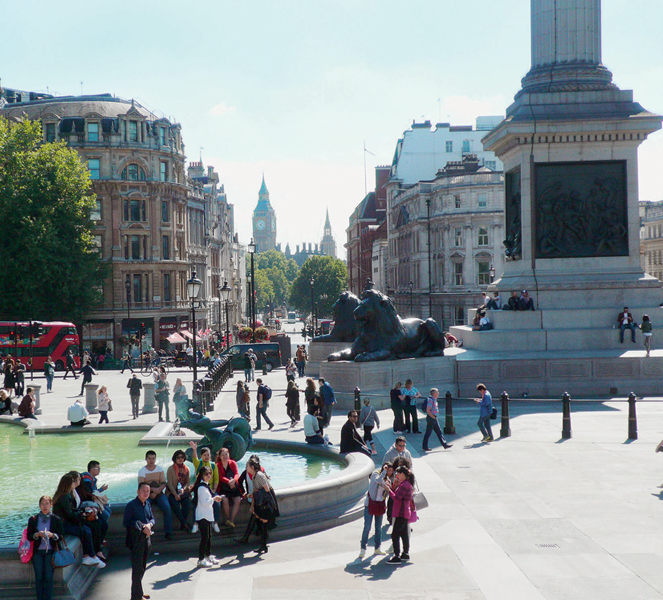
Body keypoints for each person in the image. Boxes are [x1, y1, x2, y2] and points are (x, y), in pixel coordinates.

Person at [52, 473, 104, 567]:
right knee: (85, 531)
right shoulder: (64, 497)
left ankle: (89, 556)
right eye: (72, 481)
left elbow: (70, 511)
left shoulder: (65, 495)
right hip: (63, 526)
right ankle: (90, 556)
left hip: (65, 523)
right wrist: (82, 515)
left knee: (87, 530)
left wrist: (81, 512)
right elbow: (69, 514)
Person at [27, 495, 65, 600]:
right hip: (37, 552)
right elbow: (29, 536)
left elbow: (61, 535)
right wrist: (37, 534)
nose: (45, 506)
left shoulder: (56, 519)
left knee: (48, 577)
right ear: (39, 505)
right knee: (39, 578)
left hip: (50, 551)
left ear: (51, 505)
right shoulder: (33, 519)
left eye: (47, 504)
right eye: (43, 504)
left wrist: (52, 535)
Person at [124, 482, 155, 600]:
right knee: (137, 570)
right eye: (144, 491)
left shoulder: (147, 504)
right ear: (138, 492)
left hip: (147, 540)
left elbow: (152, 518)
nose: (146, 493)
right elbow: (126, 523)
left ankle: (139, 592)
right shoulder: (131, 505)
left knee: (142, 567)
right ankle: (136, 597)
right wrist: (142, 527)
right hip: (136, 541)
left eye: (148, 491)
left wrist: (150, 525)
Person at [137, 450, 174, 540]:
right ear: (146, 459)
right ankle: (144, 531)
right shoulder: (142, 471)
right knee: (143, 508)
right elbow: (141, 486)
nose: (151, 460)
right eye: (149, 458)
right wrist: (153, 491)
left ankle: (168, 532)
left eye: (153, 458)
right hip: (146, 495)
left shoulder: (160, 469)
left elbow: (163, 483)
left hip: (159, 494)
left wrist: (158, 491)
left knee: (167, 507)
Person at [192, 466, 223, 567]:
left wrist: (214, 499)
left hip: (207, 515)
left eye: (210, 473)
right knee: (204, 538)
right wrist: (214, 499)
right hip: (202, 516)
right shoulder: (201, 488)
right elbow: (204, 502)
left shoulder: (205, 486)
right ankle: (201, 559)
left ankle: (208, 555)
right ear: (201, 475)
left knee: (209, 537)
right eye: (206, 474)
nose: (209, 475)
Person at [246, 455, 278, 554]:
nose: (246, 468)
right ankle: (263, 545)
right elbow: (257, 490)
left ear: (252, 467)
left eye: (247, 466)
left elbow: (266, 489)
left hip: (266, 501)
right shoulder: (254, 477)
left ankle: (263, 546)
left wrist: (255, 494)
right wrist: (252, 495)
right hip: (263, 501)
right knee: (263, 521)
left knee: (264, 521)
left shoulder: (259, 475)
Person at [359, 464, 389, 558]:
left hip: (379, 505)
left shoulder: (387, 480)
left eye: (390, 470)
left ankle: (377, 548)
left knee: (378, 528)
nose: (389, 472)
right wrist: (384, 472)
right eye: (388, 469)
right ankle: (363, 548)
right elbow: (378, 480)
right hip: (370, 505)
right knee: (367, 527)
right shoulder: (376, 474)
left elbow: (386, 493)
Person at [188, 441, 220, 532]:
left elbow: (216, 479)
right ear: (201, 456)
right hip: (200, 489)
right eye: (204, 455)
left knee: (217, 504)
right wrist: (194, 449)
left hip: (211, 490)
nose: (207, 457)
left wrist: (214, 490)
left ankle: (215, 523)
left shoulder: (213, 465)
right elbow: (194, 458)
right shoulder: (199, 464)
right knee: (195, 503)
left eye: (208, 455)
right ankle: (195, 523)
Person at [386, 465, 415, 564]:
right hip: (405, 512)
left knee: (395, 535)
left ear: (403, 474)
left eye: (398, 474)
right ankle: (405, 553)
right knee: (404, 534)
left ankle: (396, 556)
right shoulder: (406, 484)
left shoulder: (404, 485)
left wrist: (389, 490)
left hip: (401, 512)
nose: (397, 476)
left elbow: (396, 498)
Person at [166, 449, 192, 532]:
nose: (180, 459)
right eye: (178, 457)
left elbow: (188, 483)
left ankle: (183, 524)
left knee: (187, 505)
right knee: (175, 506)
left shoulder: (187, 469)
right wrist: (175, 494)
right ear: (175, 458)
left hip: (182, 492)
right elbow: (169, 483)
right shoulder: (170, 469)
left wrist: (183, 489)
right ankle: (184, 523)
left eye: (182, 457)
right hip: (172, 492)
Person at [216, 447, 241, 527]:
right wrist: (228, 481)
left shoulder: (233, 463)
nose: (224, 456)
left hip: (233, 487)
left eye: (226, 454)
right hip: (224, 488)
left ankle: (231, 520)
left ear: (229, 455)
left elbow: (237, 473)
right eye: (222, 455)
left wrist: (234, 480)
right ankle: (227, 518)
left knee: (238, 500)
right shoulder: (217, 465)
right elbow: (220, 477)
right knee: (225, 500)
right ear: (219, 456)